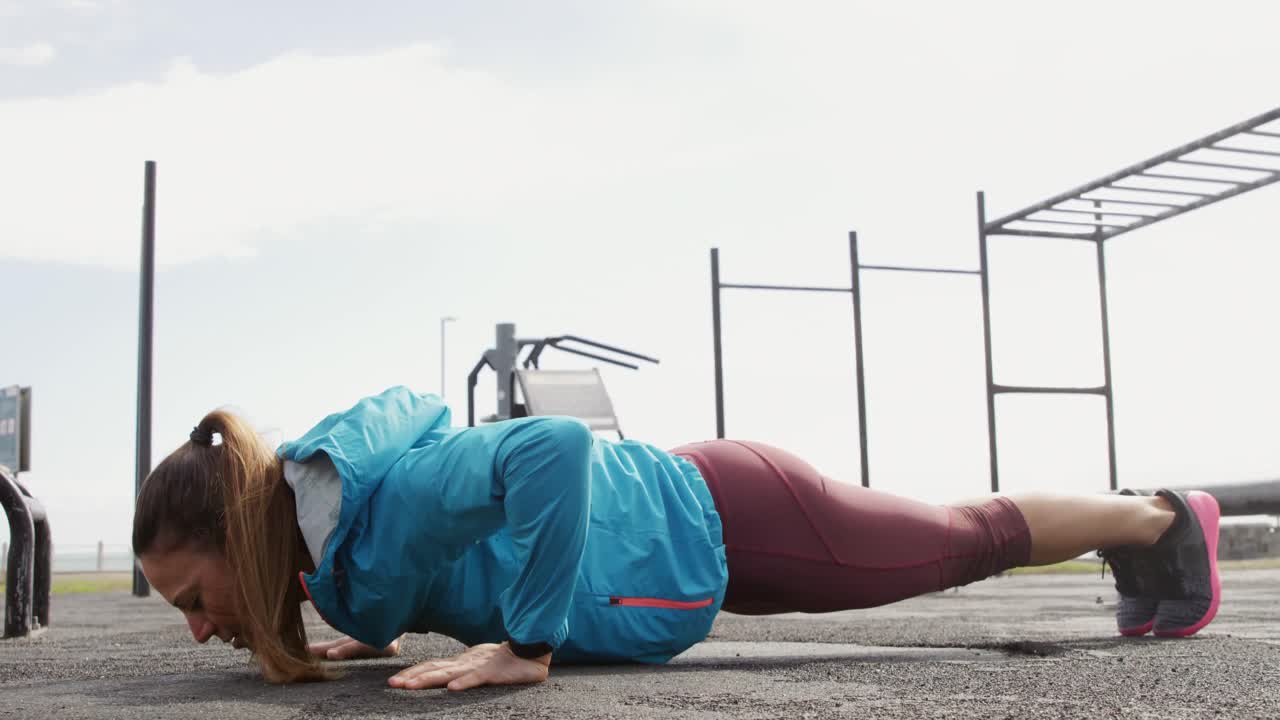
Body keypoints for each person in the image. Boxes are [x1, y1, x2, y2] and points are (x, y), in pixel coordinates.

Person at [133, 386, 1221, 691]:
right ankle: (1140, 532)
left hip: (724, 512)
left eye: (192, 596)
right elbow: (421, 568)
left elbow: (550, 446)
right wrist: (369, 635)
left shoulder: (391, 497)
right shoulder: (338, 548)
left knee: (961, 539)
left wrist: (529, 644)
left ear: (242, 533)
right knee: (954, 537)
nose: (193, 629)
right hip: (697, 543)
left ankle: (1165, 516)